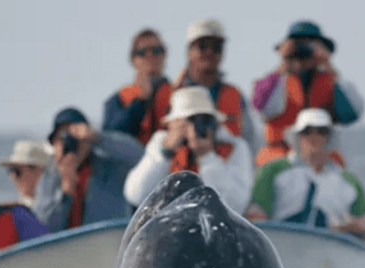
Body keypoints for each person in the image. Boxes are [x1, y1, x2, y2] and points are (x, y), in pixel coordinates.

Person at [251, 21, 365, 167]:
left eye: (310, 45)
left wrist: (328, 65)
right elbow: (260, 108)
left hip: (319, 158)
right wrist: (283, 64)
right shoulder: (277, 82)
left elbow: (352, 114)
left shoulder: (331, 82)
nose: (302, 52)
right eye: (297, 45)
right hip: (280, 157)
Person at [124, 86, 252, 214]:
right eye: (188, 120)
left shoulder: (234, 147)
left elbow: (235, 206)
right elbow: (136, 196)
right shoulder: (161, 143)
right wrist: (165, 154)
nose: (195, 127)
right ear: (172, 124)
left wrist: (207, 158)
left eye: (203, 120)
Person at [245, 108, 365, 237]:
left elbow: (364, 227)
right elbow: (256, 218)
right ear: (296, 136)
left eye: (322, 131)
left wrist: (353, 229)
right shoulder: (271, 171)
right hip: (281, 240)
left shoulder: (349, 181)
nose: (314, 137)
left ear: (330, 137)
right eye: (307, 131)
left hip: (333, 245)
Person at [33, 107, 144, 231]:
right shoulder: (49, 177)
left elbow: (139, 155)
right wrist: (66, 191)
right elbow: (44, 227)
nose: (69, 146)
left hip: (108, 239)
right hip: (71, 243)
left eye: (75, 139)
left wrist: (99, 138)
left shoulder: (110, 166)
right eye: (61, 139)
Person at [173, 18, 260, 155]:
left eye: (216, 47)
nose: (209, 52)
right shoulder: (174, 94)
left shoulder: (235, 95)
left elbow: (251, 141)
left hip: (226, 166)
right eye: (202, 46)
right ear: (189, 50)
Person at [102, 28, 172, 145]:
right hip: (135, 154)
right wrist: (140, 102)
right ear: (132, 59)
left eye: (156, 50)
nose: (150, 55)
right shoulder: (119, 98)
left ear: (164, 55)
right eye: (142, 52)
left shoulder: (178, 93)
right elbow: (111, 138)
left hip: (168, 152)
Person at [0, 140, 51, 208]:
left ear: (38, 171)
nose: (12, 176)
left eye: (16, 170)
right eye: (10, 170)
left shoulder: (52, 208)